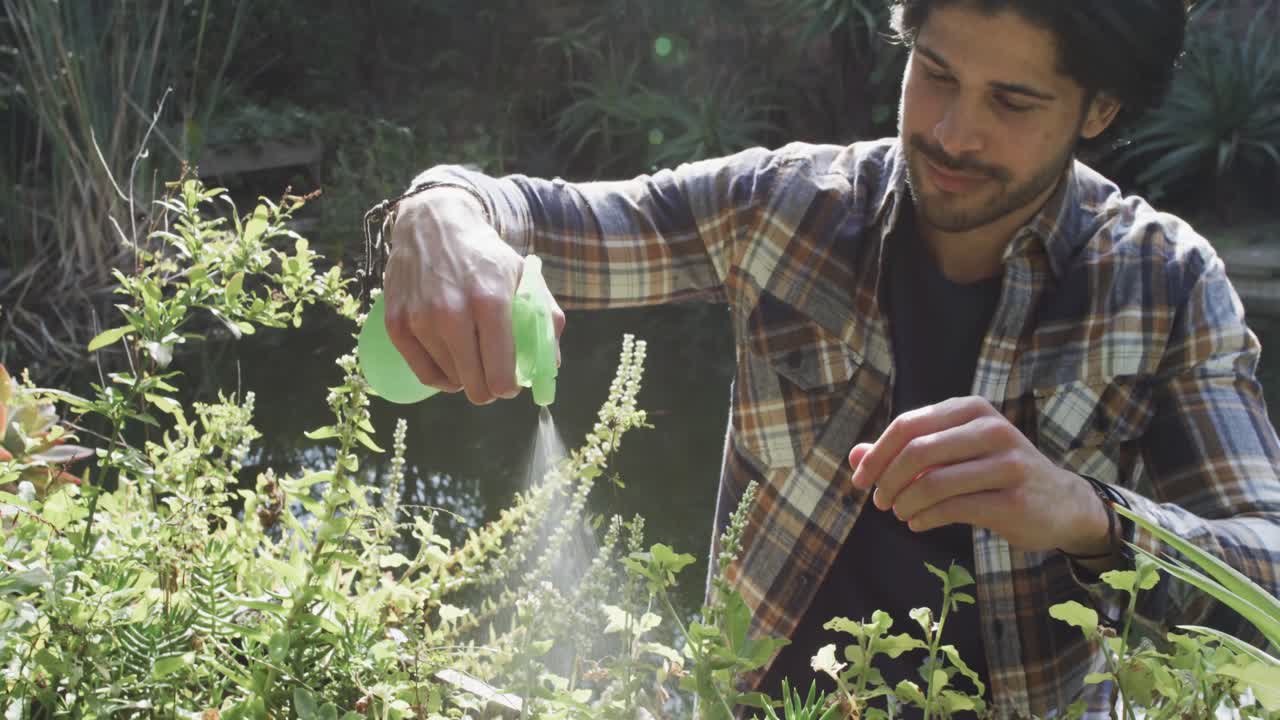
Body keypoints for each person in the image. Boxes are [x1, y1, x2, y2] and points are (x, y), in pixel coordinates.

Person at [376, 0, 1280, 717]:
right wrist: (438, 211)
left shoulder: (1166, 285)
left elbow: (1266, 575)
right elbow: (536, 214)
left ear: (1100, 107)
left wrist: (1088, 517)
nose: (955, 132)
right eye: (935, 73)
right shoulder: (784, 209)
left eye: (1012, 101)